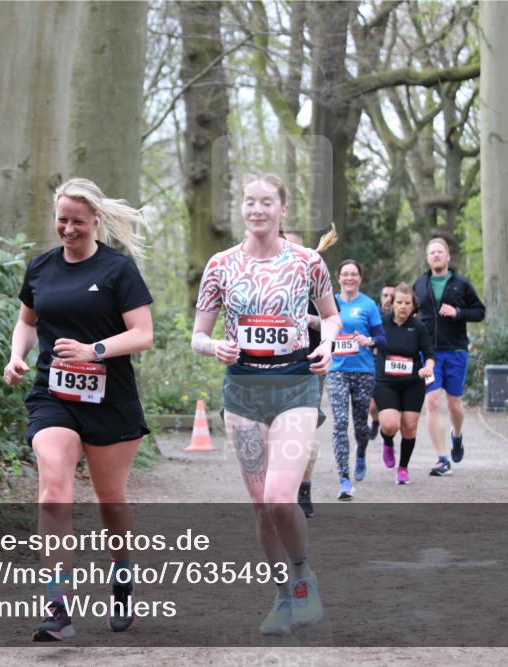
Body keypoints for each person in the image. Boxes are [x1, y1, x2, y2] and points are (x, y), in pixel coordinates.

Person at [4, 178, 154, 641]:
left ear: (96, 222)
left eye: (78, 222)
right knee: (53, 492)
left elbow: (143, 333)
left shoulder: (118, 270)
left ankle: (124, 574)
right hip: (54, 395)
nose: (68, 229)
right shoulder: (41, 267)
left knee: (111, 499)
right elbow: (26, 321)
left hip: (110, 400)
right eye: (62, 220)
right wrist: (16, 355)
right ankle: (57, 604)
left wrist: (96, 349)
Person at [192, 174, 340, 636]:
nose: (257, 210)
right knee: (260, 506)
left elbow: (332, 317)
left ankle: (303, 577)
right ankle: (281, 596)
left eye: (267, 202)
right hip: (242, 392)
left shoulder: (307, 262)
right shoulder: (219, 265)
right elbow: (198, 333)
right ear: (242, 208)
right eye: (250, 202)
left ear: (283, 209)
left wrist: (328, 346)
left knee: (280, 498)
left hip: (294, 384)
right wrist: (213, 348)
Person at [413, 237, 485, 476]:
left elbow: (480, 311)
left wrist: (458, 312)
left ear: (448, 257)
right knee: (432, 402)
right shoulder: (420, 285)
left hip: (455, 351)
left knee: (454, 404)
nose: (435, 255)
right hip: (429, 354)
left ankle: (457, 435)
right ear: (427, 258)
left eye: (439, 252)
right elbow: (408, 313)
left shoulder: (461, 284)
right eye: (431, 252)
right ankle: (442, 458)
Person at [282, 225, 339, 519]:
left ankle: (303, 490)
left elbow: (333, 321)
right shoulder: (262, 282)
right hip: (270, 368)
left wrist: (306, 320)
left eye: (293, 246)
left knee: (304, 434)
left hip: (309, 366)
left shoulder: (315, 279)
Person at [326, 259, 386, 498]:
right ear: (338, 277)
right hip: (336, 371)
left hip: (362, 371)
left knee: (360, 426)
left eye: (354, 274)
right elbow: (318, 330)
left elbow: (382, 339)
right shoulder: (329, 304)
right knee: (340, 423)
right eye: (345, 274)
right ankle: (343, 478)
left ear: (360, 278)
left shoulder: (369, 305)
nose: (349, 278)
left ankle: (361, 451)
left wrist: (368, 341)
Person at [373, 283, 435, 484]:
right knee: (390, 425)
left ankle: (403, 468)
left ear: (413, 305)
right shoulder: (381, 324)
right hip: (386, 382)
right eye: (399, 302)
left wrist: (429, 367)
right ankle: (387, 441)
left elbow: (429, 354)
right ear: (392, 304)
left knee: (409, 426)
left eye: (407, 303)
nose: (403, 306)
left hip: (412, 383)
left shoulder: (418, 327)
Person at [368, 282, 397, 440]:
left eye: (392, 296)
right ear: (380, 298)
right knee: (372, 406)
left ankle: (389, 431)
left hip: (394, 366)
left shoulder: (402, 317)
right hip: (373, 363)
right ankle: (375, 420)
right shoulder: (372, 315)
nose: (388, 299)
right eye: (385, 295)